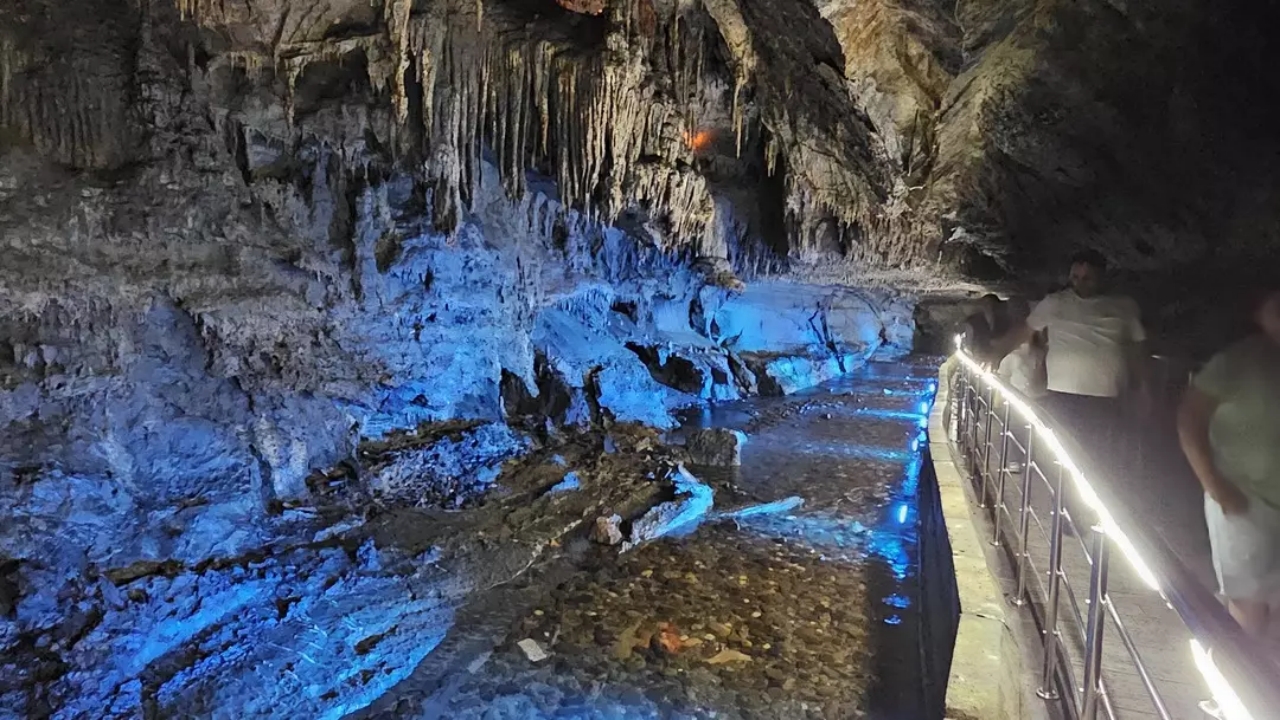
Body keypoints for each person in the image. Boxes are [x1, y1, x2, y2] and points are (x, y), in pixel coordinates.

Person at [1177, 289, 1280, 637]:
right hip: (1242, 501)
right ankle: (1237, 682)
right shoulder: (1238, 360)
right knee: (1247, 609)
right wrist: (1215, 486)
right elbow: (1190, 419)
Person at [998, 250, 1150, 474]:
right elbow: (1024, 331)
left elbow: (1138, 348)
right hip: (1062, 394)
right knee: (1062, 453)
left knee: (1100, 456)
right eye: (1075, 277)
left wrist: (1144, 387)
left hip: (1107, 395)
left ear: (1102, 277)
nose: (1080, 283)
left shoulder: (1124, 306)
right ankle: (1063, 501)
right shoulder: (1055, 303)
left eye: (1087, 278)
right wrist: (995, 355)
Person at [997, 297, 1048, 400]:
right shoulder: (1012, 353)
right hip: (1022, 397)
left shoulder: (1040, 350)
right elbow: (1003, 379)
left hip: (1037, 397)